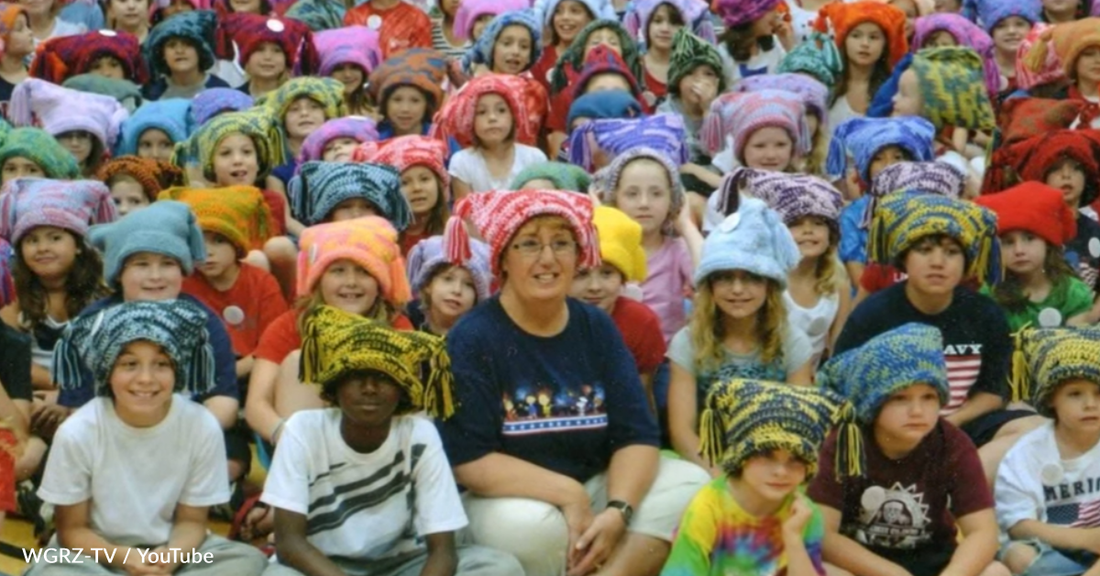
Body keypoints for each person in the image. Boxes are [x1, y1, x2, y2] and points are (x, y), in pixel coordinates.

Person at [437, 189, 710, 576]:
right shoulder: (472, 337)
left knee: (691, 484)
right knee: (533, 529)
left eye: (561, 243)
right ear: (502, 260)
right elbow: (470, 461)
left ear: (579, 254)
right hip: (510, 501)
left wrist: (618, 510)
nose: (548, 259)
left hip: (597, 487)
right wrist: (570, 495)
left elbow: (636, 435)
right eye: (529, 244)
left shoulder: (596, 326)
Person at [258, 305, 523, 576]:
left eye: (385, 378)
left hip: (403, 563)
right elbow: (289, 543)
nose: (370, 388)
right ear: (335, 389)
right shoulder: (303, 430)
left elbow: (442, 550)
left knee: (498, 567)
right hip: (324, 566)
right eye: (357, 376)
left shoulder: (419, 435)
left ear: (402, 392)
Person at [24, 300, 268, 576]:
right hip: (95, 556)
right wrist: (126, 559)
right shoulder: (78, 431)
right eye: (129, 364)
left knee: (248, 561)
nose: (145, 378)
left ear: (177, 372)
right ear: (108, 372)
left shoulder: (200, 425)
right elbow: (72, 531)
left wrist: (169, 558)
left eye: (161, 364)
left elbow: (192, 522)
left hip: (174, 552)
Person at [835, 192, 1039, 457]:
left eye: (952, 252)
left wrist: (952, 422)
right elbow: (842, 388)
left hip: (962, 424)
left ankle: (965, 483)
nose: (938, 262)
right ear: (904, 259)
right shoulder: (874, 314)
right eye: (924, 250)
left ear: (967, 264)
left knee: (1035, 428)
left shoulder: (985, 312)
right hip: (889, 430)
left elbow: (993, 392)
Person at [811, 323, 1010, 576]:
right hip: (863, 567)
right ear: (872, 404)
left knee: (997, 571)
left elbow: (983, 532)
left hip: (935, 566)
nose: (917, 411)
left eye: (928, 397)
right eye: (900, 398)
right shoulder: (844, 443)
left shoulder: (953, 443)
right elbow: (824, 536)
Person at [667, 196, 813, 473]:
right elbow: (682, 432)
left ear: (769, 286)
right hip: (708, 461)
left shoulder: (793, 342)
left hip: (775, 463)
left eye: (751, 278)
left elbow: (799, 424)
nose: (737, 289)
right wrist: (719, 476)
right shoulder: (687, 342)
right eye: (724, 278)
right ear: (709, 286)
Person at [662, 378, 843, 576]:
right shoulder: (709, 505)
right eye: (766, 455)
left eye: (796, 459)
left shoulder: (803, 513)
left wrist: (792, 537)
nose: (781, 471)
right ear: (742, 457)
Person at [995, 326, 1100, 576]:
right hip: (1052, 550)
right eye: (1075, 394)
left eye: (1099, 393)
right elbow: (1018, 525)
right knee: (1017, 553)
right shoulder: (1028, 452)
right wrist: (1083, 539)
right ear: (1052, 398)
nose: (1090, 404)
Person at [167, 186, 287, 382]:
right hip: (203, 375)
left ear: (236, 244)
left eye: (219, 241)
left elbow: (276, 342)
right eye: (198, 241)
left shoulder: (261, 282)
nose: (207, 252)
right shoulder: (185, 285)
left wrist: (233, 371)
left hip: (257, 370)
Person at [745, 169, 850, 367]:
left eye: (818, 223)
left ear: (831, 235)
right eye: (796, 224)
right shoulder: (765, 279)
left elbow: (839, 345)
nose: (808, 231)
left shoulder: (838, 282)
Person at [570, 206, 666, 412]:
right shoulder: (544, 320)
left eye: (607, 273)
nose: (595, 286)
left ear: (623, 278)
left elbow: (642, 398)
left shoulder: (640, 321)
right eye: (581, 274)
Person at [975, 182, 1096, 330]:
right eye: (1008, 242)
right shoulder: (989, 296)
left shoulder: (1073, 293)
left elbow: (1076, 348)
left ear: (1048, 243)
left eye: (1029, 239)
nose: (1019, 250)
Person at [405, 236, 492, 336]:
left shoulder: (479, 336)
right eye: (448, 279)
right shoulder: (409, 317)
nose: (457, 290)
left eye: (469, 284)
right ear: (427, 284)